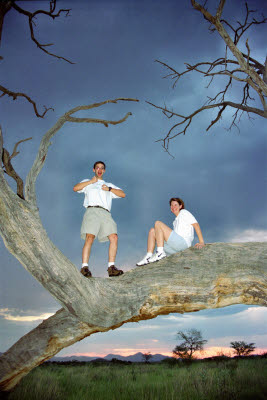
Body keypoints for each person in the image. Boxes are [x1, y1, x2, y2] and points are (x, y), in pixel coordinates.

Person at [73, 161, 126, 277]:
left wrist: (110, 189)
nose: (99, 170)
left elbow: (123, 194)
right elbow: (75, 188)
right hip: (92, 210)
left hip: (106, 213)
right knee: (90, 237)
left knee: (114, 237)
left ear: (104, 171)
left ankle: (111, 268)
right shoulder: (87, 183)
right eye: (97, 168)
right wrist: (91, 181)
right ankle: (84, 267)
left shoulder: (108, 185)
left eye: (102, 168)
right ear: (94, 170)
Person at [137, 197, 205, 266]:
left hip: (183, 244)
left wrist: (201, 242)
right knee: (152, 231)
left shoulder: (184, 212)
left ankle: (160, 253)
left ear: (180, 206)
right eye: (171, 205)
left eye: (175, 205)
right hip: (174, 249)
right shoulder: (175, 222)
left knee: (158, 223)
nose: (173, 207)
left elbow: (196, 225)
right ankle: (148, 257)